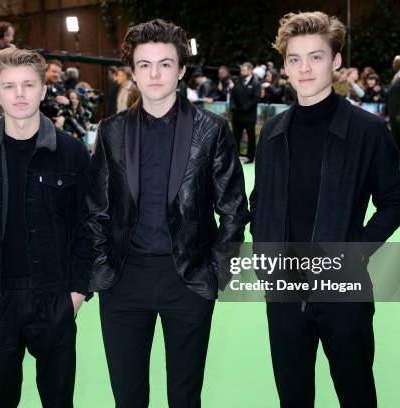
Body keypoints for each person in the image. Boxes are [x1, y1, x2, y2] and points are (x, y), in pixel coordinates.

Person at [87, 19, 249, 408]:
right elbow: (95, 208)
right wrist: (101, 269)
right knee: (128, 397)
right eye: (144, 64)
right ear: (134, 72)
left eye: (164, 63)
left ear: (180, 70)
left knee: (184, 397)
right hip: (124, 282)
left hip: (189, 280)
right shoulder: (111, 131)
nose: (154, 73)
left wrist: (215, 272)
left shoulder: (211, 130)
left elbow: (232, 208)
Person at [251, 12, 400, 408]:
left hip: (345, 292)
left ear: (336, 61)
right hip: (285, 293)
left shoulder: (367, 130)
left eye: (316, 57)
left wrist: (357, 249)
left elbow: (394, 202)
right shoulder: (271, 132)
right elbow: (261, 200)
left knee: (356, 396)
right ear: (284, 65)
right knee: (293, 398)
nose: (304, 68)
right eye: (294, 59)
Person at [0, 47, 90, 407]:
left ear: (44, 90)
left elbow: (87, 228)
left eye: (29, 84)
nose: (20, 94)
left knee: (59, 402)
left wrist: (77, 293)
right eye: (9, 86)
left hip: (54, 297)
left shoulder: (72, 153)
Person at [230, 61, 260, 163]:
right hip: (237, 115)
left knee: (251, 137)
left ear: (250, 71)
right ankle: (234, 157)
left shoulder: (256, 83)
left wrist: (245, 108)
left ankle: (250, 157)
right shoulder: (237, 81)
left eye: (244, 70)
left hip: (249, 116)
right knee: (235, 137)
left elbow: (256, 98)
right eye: (241, 70)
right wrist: (233, 106)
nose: (242, 72)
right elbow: (232, 96)